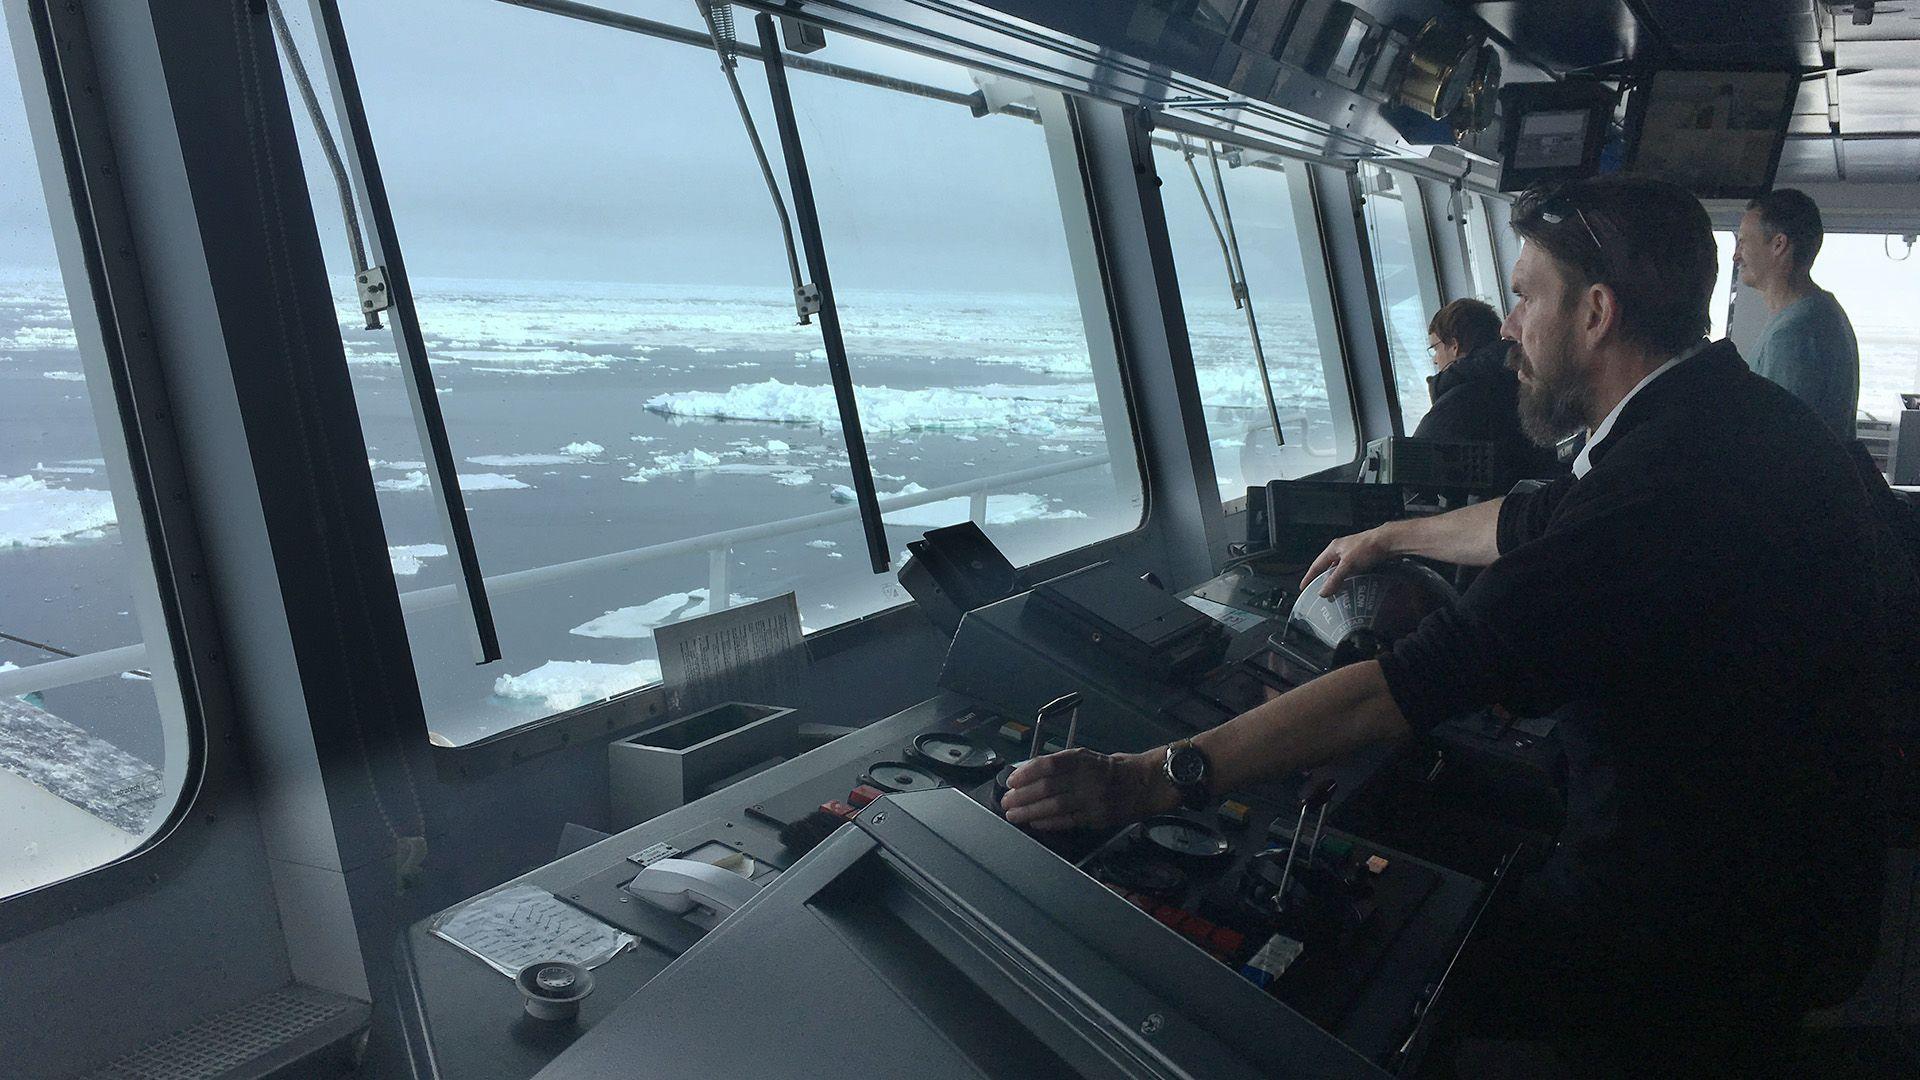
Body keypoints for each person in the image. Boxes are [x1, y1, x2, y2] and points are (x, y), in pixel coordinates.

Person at [1003, 177, 1893, 1076]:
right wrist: (1384, 536)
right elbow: (1532, 519)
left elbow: (1407, 686)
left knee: (1367, 963)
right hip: (1773, 857)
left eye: (1523, 296)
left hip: (1710, 922)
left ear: (1595, 312)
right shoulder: (1715, 415)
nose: (1508, 326)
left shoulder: (1665, 483)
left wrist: (1154, 777)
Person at [1735, 188, 1861, 439]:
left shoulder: (1795, 335)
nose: (1736, 255)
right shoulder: (1820, 313)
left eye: (1743, 242)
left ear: (1778, 245)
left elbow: (1783, 443)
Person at [1415, 297, 1564, 491]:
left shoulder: (1462, 397)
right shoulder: (1529, 378)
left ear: (1454, 345)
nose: (1435, 360)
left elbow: (1415, 465)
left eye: (1434, 348)